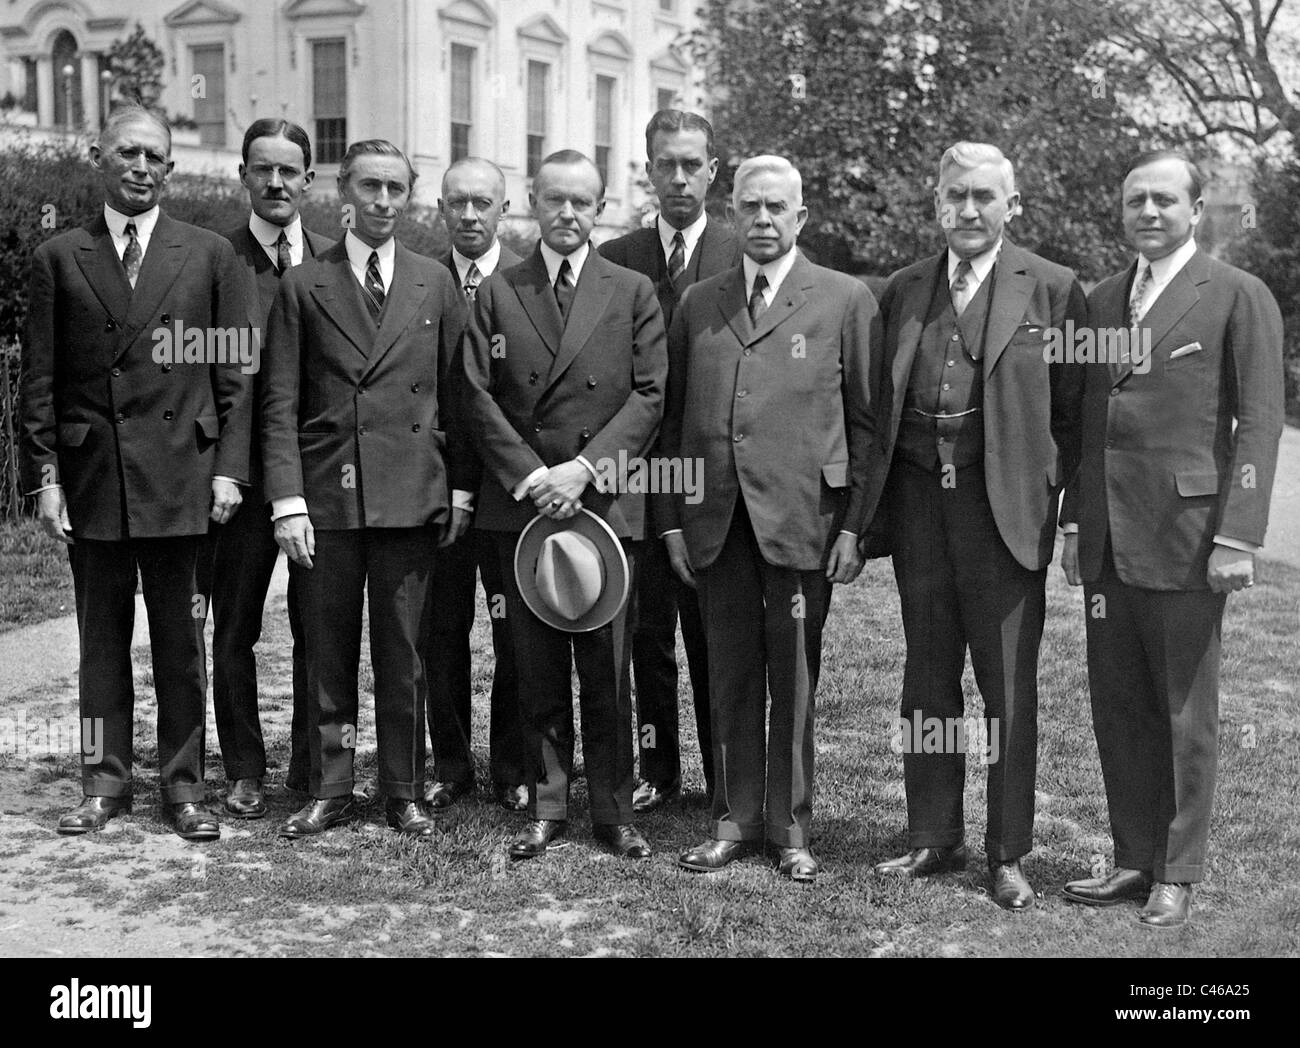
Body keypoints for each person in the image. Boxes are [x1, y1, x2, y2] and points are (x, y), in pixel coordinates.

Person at [1061, 150, 1284, 928]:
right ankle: (1132, 858)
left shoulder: (1236, 295)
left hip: (1190, 540)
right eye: (1134, 201)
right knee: (1117, 705)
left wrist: (1239, 536)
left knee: (1187, 713)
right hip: (1106, 542)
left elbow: (1257, 425)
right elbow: (1088, 425)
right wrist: (1073, 519)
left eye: (1163, 200)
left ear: (1195, 211)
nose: (1148, 212)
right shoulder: (1098, 300)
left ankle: (1177, 872)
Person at [863, 142, 1086, 909]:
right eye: (954, 195)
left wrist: (1066, 515)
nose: (968, 209)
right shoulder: (903, 289)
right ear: (934, 201)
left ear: (1012, 205)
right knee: (926, 681)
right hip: (922, 508)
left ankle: (1007, 851)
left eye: (984, 196)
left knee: (1007, 691)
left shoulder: (1054, 290)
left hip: (1007, 515)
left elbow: (1076, 416)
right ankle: (932, 833)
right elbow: (876, 409)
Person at [20, 106, 251, 841]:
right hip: (96, 482)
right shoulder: (62, 256)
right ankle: (103, 783)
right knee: (98, 647)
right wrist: (44, 477)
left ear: (171, 168)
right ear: (99, 157)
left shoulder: (210, 255)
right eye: (127, 153)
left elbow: (235, 377)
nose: (141, 166)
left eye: (155, 155)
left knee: (181, 649)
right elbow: (40, 383)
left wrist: (230, 473)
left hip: (183, 477)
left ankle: (184, 788)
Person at [662, 155, 875, 882]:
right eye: (749, 207)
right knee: (727, 674)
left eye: (776, 208)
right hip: (715, 522)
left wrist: (854, 528)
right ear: (732, 212)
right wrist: (670, 522)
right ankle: (733, 820)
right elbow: (671, 423)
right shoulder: (699, 302)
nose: (761, 220)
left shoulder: (845, 299)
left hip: (802, 522)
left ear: (801, 217)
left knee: (793, 677)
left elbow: (868, 424)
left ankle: (790, 829)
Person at [460, 149, 667, 861]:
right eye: (555, 200)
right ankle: (547, 804)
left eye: (583, 201)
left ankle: (613, 809)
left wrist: (582, 469)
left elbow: (650, 395)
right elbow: (475, 395)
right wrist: (531, 476)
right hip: (524, 509)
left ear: (601, 205)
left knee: (610, 668)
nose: (569, 214)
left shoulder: (633, 289)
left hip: (602, 503)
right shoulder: (498, 290)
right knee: (536, 663)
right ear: (531, 203)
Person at [261, 139, 470, 839]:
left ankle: (404, 788)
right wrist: (287, 500)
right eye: (370, 188)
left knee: (404, 652)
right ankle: (332, 783)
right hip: (328, 501)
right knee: (328, 647)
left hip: (410, 496)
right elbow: (280, 403)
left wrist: (459, 489)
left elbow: (458, 396)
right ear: (342, 192)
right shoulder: (303, 284)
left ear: (410, 197)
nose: (384, 202)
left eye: (396, 189)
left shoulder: (433, 281)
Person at [598, 110, 738, 811]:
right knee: (645, 634)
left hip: (714, 481)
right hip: (638, 477)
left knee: (715, 634)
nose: (678, 177)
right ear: (647, 169)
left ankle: (725, 775)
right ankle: (657, 767)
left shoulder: (744, 253)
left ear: (714, 171)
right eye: (665, 164)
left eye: (692, 164)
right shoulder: (617, 258)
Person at [197, 118, 333, 819]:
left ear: (310, 179)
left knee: (320, 629)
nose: (276, 183)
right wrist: (225, 470)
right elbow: (210, 381)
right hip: (241, 483)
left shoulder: (337, 262)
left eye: (289, 171)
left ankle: (312, 769)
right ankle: (245, 769)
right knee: (235, 630)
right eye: (263, 169)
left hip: (318, 483)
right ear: (243, 175)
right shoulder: (214, 261)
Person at [423, 156, 527, 813]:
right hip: (436, 494)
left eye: (481, 203)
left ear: (504, 208)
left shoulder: (530, 281)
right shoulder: (422, 279)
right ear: (440, 208)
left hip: (509, 492)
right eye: (456, 203)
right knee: (441, 631)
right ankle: (453, 764)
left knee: (516, 631)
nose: (468, 215)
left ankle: (514, 769)